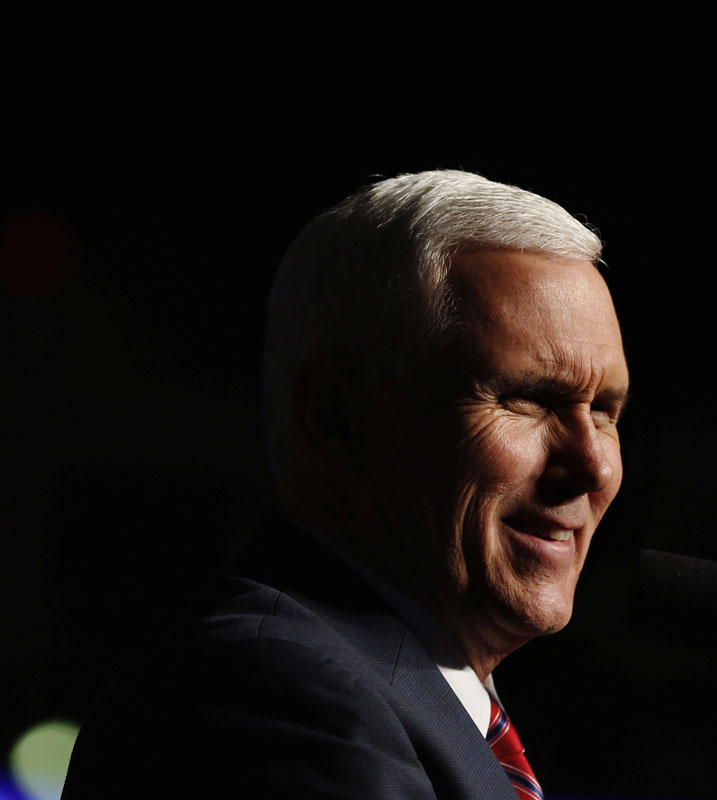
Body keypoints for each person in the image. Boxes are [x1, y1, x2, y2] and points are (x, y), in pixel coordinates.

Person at [62, 170, 629, 799]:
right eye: (529, 399)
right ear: (335, 421)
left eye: (605, 411)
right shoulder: (273, 688)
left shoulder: (405, 697)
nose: (594, 466)